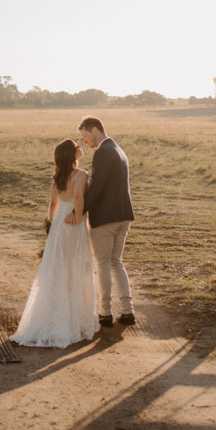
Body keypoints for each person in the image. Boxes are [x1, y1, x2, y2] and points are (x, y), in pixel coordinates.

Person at [10, 139, 99, 348]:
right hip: (73, 224)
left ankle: (54, 316)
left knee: (57, 269)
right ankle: (73, 319)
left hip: (59, 223)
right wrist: (77, 216)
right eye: (77, 146)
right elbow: (78, 195)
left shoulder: (57, 177)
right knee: (75, 266)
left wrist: (51, 229)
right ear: (72, 154)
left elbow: (53, 204)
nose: (80, 147)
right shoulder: (81, 175)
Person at [66, 116, 135, 328]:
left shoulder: (103, 153)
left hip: (106, 218)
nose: (84, 141)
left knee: (103, 264)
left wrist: (79, 211)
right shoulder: (118, 149)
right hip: (123, 216)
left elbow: (97, 188)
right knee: (116, 262)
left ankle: (105, 313)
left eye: (85, 136)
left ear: (95, 130)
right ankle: (127, 310)